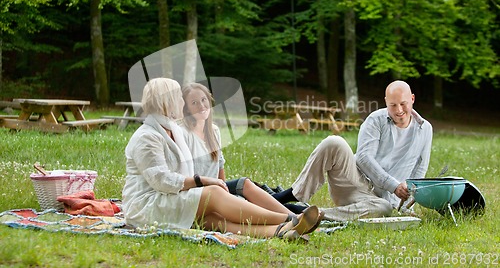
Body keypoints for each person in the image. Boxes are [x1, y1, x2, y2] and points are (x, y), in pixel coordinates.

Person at [121, 77, 322, 240]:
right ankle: (291, 219)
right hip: (147, 206)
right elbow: (161, 181)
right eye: (178, 97)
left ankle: (279, 231)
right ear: (165, 102)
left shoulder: (172, 130)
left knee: (213, 219)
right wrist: (202, 181)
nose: (182, 103)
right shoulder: (147, 137)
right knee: (214, 195)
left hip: (168, 199)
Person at [273, 80, 433, 221]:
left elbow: (420, 168)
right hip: (354, 184)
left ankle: (308, 213)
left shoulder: (425, 129)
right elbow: (363, 158)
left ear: (412, 99)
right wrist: (393, 185)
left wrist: (407, 199)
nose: (398, 110)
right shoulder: (375, 120)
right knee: (333, 142)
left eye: (403, 103)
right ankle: (289, 196)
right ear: (386, 102)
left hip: (382, 201)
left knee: (384, 209)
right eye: (393, 105)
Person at [181, 82, 307, 215]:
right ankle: (295, 211)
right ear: (187, 108)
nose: (201, 106)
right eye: (194, 103)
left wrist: (226, 192)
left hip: (217, 189)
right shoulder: (183, 133)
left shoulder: (213, 130)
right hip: (199, 194)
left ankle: (296, 214)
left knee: (244, 184)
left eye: (203, 100)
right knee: (249, 202)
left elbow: (219, 165)